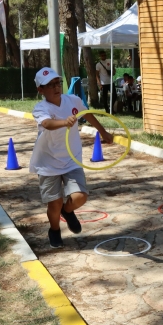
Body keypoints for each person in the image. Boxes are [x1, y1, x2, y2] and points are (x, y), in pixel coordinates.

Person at [29, 67, 114, 249]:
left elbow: (87, 114)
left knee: (80, 196)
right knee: (54, 202)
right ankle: (54, 230)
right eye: (49, 85)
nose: (55, 87)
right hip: (48, 162)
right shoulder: (41, 108)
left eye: (57, 83)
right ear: (40, 90)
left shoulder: (73, 100)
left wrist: (103, 132)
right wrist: (64, 122)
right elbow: (47, 123)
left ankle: (67, 212)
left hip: (71, 158)